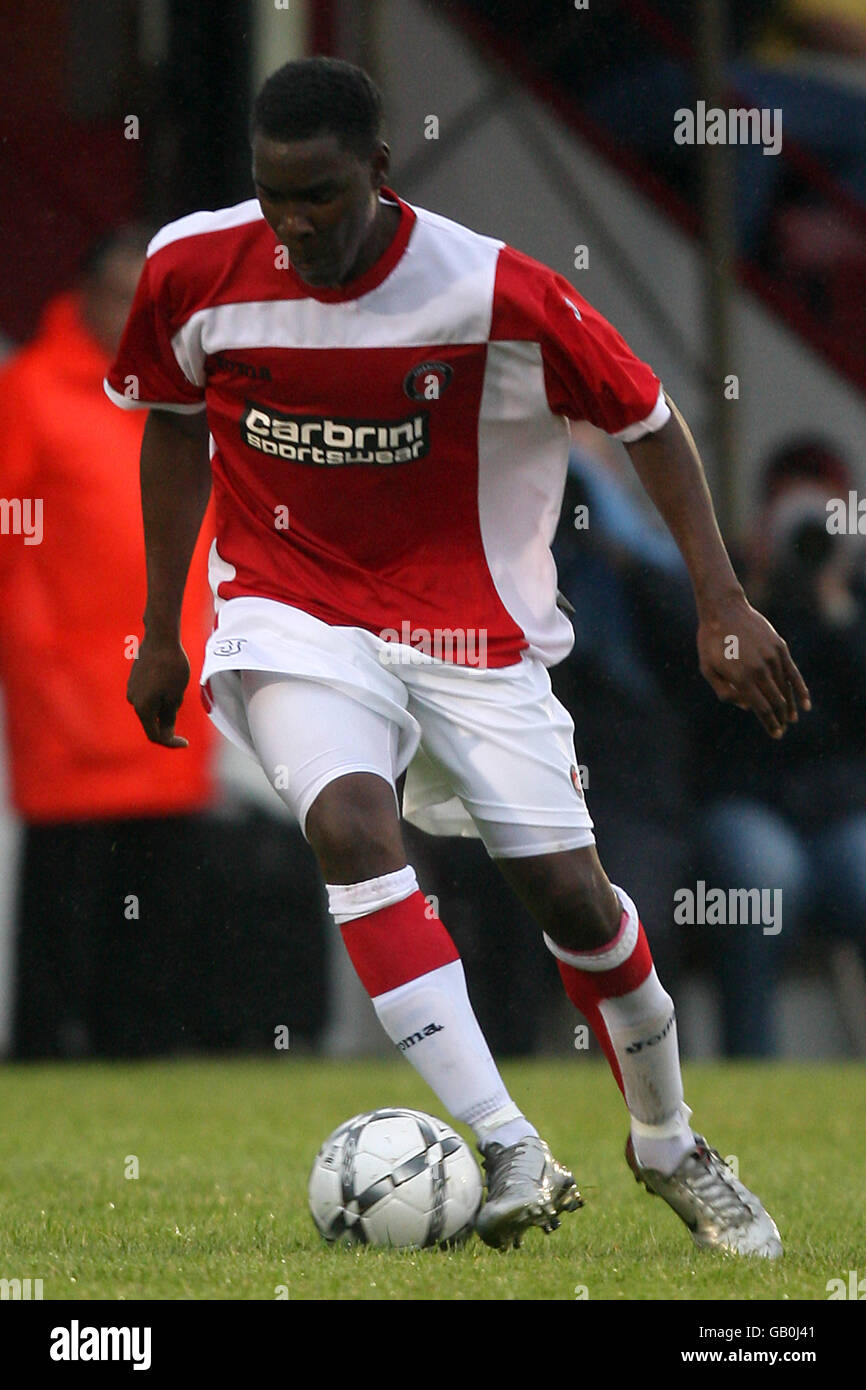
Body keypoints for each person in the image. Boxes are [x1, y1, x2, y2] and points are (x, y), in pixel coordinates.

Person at [106, 57, 809, 1254]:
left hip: (470, 633)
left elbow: (645, 416)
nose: (295, 223)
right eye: (275, 197)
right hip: (289, 609)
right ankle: (506, 1142)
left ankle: (669, 1142)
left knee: (575, 903)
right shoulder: (191, 269)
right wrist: (163, 618)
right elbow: (174, 427)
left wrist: (720, 600)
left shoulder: (492, 289)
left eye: (321, 195)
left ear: (378, 172)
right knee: (346, 825)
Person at [0, 228, 217, 1057]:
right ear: (86, 297)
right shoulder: (31, 391)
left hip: (165, 694)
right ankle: (49, 1054)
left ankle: (145, 1054)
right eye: (124, 300)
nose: (137, 319)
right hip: (67, 705)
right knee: (66, 904)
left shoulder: (178, 395)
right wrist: (42, 673)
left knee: (157, 902)